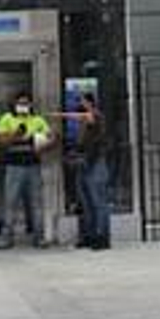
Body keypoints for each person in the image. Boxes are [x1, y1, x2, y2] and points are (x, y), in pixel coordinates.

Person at [0, 90, 53, 250]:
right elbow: (2, 141)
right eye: (20, 103)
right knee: (10, 203)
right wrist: (17, 134)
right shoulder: (7, 119)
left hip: (33, 166)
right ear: (14, 104)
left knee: (36, 204)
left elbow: (50, 138)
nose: (23, 106)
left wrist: (46, 142)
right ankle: (6, 238)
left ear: (30, 105)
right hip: (13, 167)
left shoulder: (37, 120)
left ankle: (39, 237)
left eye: (26, 103)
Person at [71, 92, 111, 250]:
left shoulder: (96, 117)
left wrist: (86, 158)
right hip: (84, 164)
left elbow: (99, 140)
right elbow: (82, 143)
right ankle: (89, 235)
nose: (80, 104)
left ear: (89, 102)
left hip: (95, 164)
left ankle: (102, 237)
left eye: (82, 101)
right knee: (86, 203)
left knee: (98, 202)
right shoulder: (83, 121)